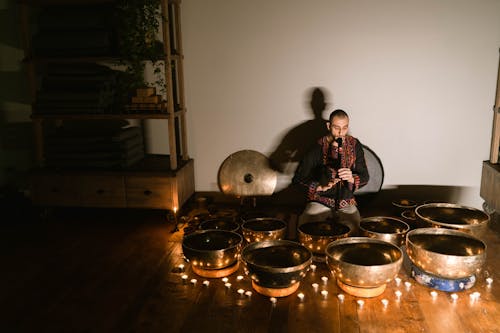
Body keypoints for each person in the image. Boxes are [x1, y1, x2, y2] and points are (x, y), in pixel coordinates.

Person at [292, 109, 369, 234]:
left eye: (345, 128)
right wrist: (319, 187)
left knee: (356, 230)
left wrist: (351, 178)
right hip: (320, 200)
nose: (340, 133)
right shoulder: (317, 148)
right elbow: (298, 180)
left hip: (346, 201)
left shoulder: (355, 145)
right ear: (328, 126)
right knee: (307, 227)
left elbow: (365, 176)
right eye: (336, 128)